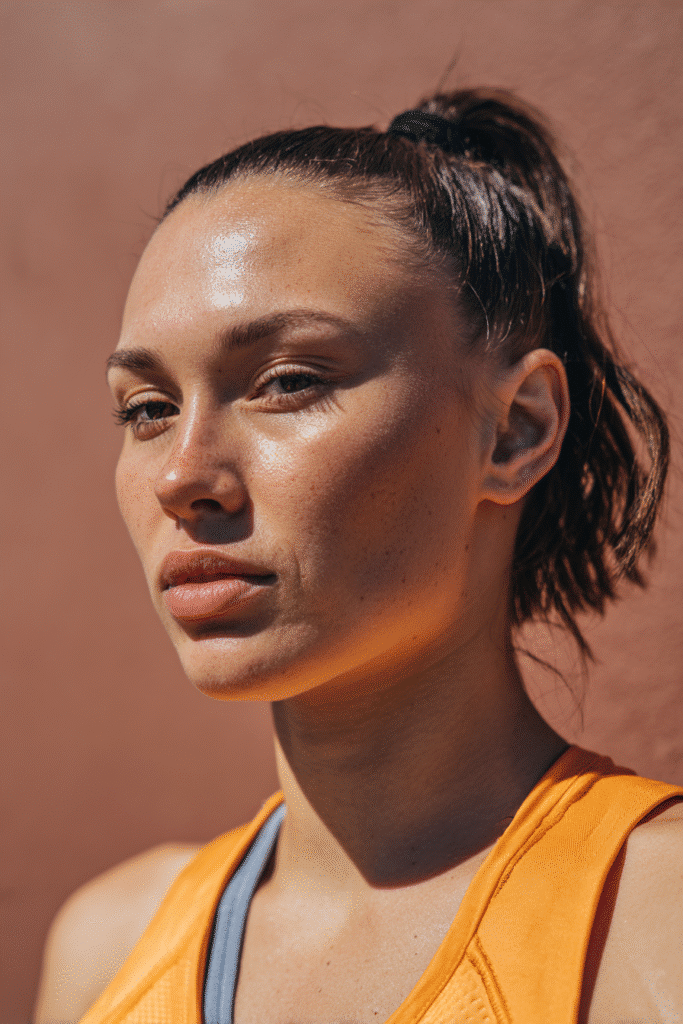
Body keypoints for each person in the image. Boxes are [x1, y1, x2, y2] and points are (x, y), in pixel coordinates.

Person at [34, 88, 682, 1024]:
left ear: (514, 429)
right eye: (148, 408)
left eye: (286, 381)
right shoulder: (107, 947)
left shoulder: (652, 926)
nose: (180, 475)